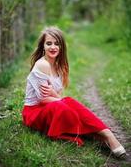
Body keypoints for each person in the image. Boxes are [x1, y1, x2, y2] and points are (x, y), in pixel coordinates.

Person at [22, 26, 126, 158]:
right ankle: (104, 134)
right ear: (43, 46)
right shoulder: (43, 65)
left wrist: (54, 93)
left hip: (51, 106)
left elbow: (56, 96)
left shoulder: (60, 66)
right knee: (67, 103)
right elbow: (43, 99)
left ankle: (106, 135)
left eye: (57, 43)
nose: (53, 47)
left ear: (61, 47)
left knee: (66, 104)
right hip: (34, 112)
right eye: (49, 43)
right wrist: (61, 99)